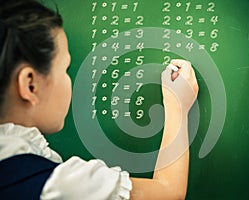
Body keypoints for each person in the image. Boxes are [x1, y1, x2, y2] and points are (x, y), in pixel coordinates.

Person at [0, 0, 199, 199]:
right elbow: (169, 192)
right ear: (30, 85)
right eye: (65, 69)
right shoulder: (60, 185)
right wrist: (176, 105)